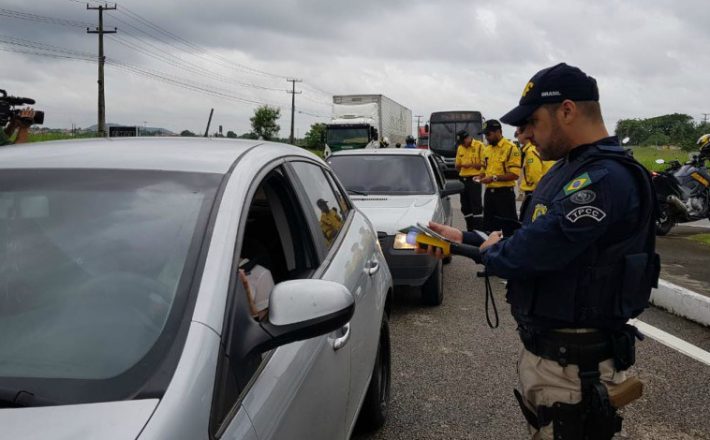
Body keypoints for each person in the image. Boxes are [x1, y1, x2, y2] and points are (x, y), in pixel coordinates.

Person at [420, 63, 658, 439]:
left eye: (531, 121)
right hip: (553, 357)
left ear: (567, 110)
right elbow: (527, 237)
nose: (523, 133)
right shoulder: (567, 169)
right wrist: (464, 239)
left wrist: (483, 251)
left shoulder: (602, 179)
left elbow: (523, 254)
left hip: (576, 368)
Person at [479, 119, 521, 232]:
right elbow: (484, 168)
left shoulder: (511, 148)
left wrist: (494, 178)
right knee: (488, 228)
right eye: (485, 134)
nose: (487, 137)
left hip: (505, 195)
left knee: (508, 229)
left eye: (488, 134)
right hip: (489, 195)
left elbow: (515, 174)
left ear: (498, 132)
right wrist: (480, 176)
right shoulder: (487, 149)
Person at [517, 127, 556, 220]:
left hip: (534, 192)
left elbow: (536, 176)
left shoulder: (531, 151)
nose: (517, 136)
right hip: (546, 189)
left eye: (518, 133)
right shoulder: (534, 149)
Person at [455, 129, 485, 231]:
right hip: (463, 179)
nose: (462, 145)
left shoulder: (479, 146)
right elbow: (457, 165)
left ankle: (478, 230)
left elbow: (484, 164)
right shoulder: (460, 148)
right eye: (460, 143)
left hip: (475, 178)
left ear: (468, 138)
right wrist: (460, 165)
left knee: (476, 205)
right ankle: (470, 228)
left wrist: (471, 165)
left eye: (463, 142)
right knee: (465, 206)